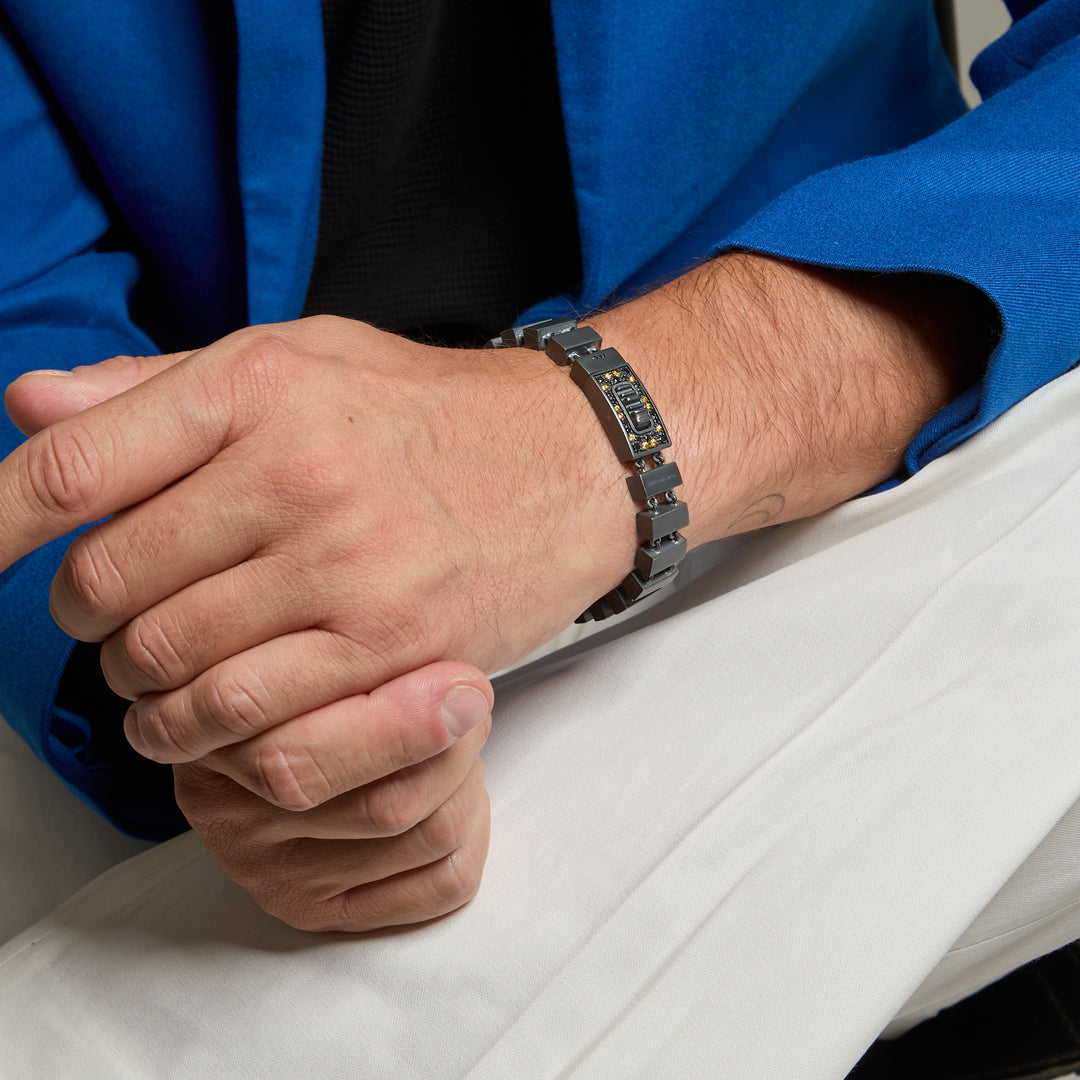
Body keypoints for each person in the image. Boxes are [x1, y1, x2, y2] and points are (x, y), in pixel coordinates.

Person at [1, 0, 1079, 1075]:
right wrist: (205, 651)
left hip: (894, 402)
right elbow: (26, 328)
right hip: (241, 587)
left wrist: (614, 422)